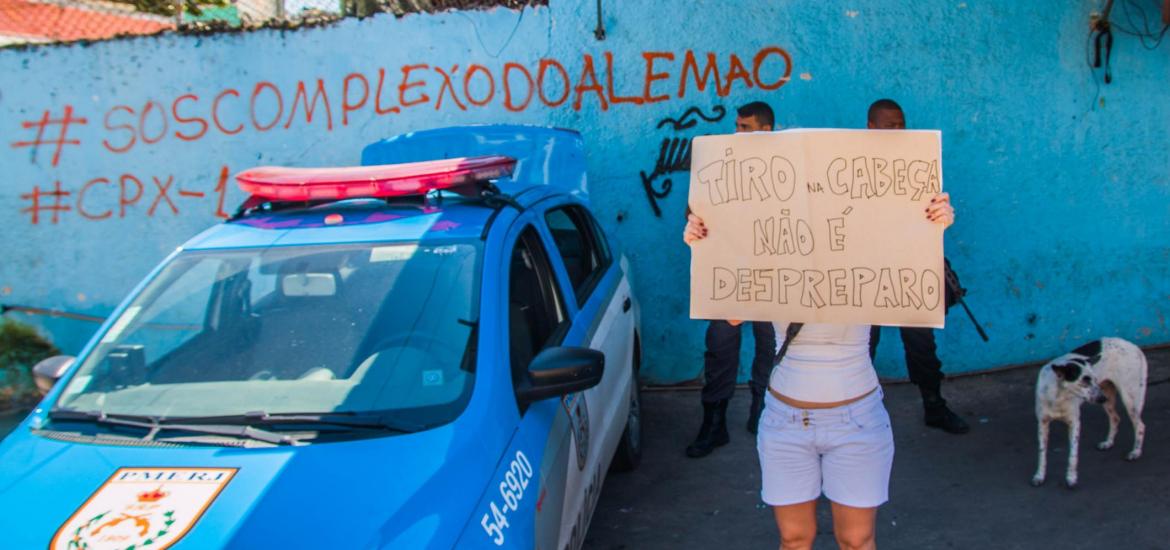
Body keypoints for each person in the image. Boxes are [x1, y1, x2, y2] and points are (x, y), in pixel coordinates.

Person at [683, 188, 956, 549]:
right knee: (794, 540)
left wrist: (930, 233)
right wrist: (704, 244)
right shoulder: (770, 257)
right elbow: (729, 312)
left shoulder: (869, 253)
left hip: (858, 422)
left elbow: (927, 300)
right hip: (785, 423)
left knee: (857, 540)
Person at [866, 99, 970, 435]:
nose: (898, 130)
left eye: (901, 124)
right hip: (866, 269)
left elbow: (929, 214)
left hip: (909, 265)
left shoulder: (918, 162)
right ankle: (861, 414)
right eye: (890, 125)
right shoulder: (854, 165)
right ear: (871, 127)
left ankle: (934, 405)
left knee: (921, 344)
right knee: (863, 345)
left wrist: (941, 216)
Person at [685, 101, 778, 459]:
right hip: (729, 272)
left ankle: (761, 414)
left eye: (745, 127)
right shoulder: (719, 159)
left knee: (770, 347)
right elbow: (695, 209)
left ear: (766, 131)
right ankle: (714, 421)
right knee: (720, 345)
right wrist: (694, 222)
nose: (737, 132)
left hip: (773, 274)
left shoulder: (787, 164)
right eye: (737, 125)